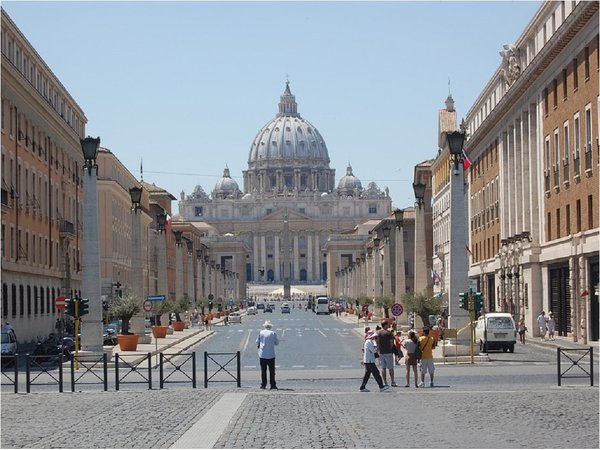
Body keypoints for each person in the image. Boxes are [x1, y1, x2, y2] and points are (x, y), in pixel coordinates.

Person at [256, 320, 279, 390]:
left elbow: (257, 342)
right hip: (271, 354)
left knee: (263, 371)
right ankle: (272, 384)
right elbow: (277, 343)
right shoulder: (273, 333)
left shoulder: (261, 332)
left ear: (264, 326)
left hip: (262, 354)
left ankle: (263, 385)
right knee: (272, 371)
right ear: (270, 327)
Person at [376, 319, 397, 387]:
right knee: (391, 368)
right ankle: (392, 381)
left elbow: (377, 342)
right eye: (388, 324)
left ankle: (385, 382)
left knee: (383, 368)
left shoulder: (378, 333)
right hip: (388, 352)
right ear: (385, 325)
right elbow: (391, 343)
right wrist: (390, 349)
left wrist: (379, 349)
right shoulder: (388, 333)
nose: (389, 325)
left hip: (381, 353)